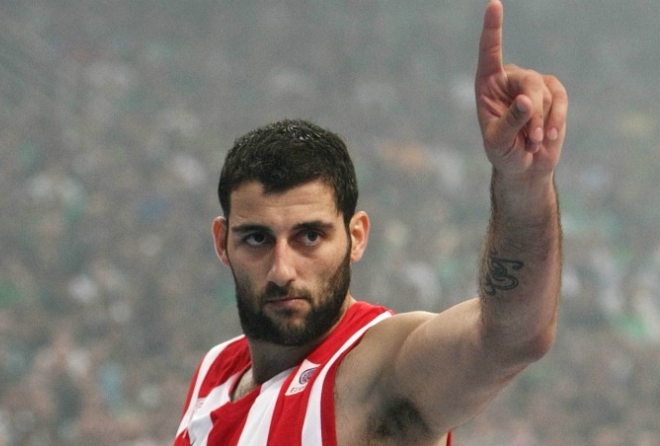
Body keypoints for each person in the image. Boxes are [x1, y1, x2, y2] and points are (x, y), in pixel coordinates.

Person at [175, 1, 568, 444]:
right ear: (222, 242)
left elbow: (511, 336)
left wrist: (524, 185)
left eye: (310, 236)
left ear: (356, 236)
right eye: (257, 239)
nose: (282, 270)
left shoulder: (374, 374)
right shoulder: (215, 372)